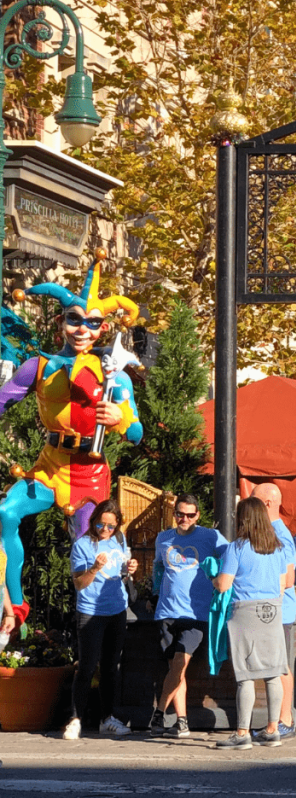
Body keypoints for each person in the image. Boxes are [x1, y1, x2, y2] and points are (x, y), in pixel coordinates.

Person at [0, 253, 143, 626]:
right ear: (61, 321)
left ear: (102, 328)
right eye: (74, 319)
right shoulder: (39, 367)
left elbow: (137, 433)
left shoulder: (114, 374)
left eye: (92, 322)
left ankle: (94, 626)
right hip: (49, 466)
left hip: (88, 474)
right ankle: (16, 607)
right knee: (6, 512)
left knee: (87, 548)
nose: (82, 329)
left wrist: (119, 421)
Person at [212, 497, 289, 749]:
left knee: (245, 675)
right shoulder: (277, 548)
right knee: (272, 673)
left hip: (245, 611)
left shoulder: (237, 548)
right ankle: (272, 729)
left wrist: (212, 578)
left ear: (243, 518)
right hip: (273, 610)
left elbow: (224, 584)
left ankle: (242, 732)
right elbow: (283, 584)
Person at [150, 493, 227, 738]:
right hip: (167, 610)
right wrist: (154, 591)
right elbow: (158, 566)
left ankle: (159, 712)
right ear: (174, 514)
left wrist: (220, 582)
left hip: (196, 613)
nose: (185, 519)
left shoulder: (211, 536)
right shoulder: (163, 538)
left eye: (190, 515)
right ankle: (181, 722)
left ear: (198, 515)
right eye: (180, 514)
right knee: (176, 669)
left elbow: (231, 558)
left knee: (180, 664)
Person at [63, 500, 137, 739]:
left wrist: (130, 568)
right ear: (93, 521)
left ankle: (108, 719)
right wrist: (94, 568)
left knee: (110, 667)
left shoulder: (119, 539)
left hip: (116, 609)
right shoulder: (82, 545)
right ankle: (75, 719)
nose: (105, 530)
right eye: (100, 524)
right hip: (91, 611)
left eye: (111, 526)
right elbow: (79, 583)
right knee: (87, 666)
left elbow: (121, 571)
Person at [251, 483, 296, 739]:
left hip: (280, 611)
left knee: (280, 666)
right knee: (273, 665)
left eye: (254, 499)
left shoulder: (280, 534)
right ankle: (276, 720)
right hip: (268, 610)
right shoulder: (266, 531)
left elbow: (288, 579)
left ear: (267, 503)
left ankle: (285, 719)